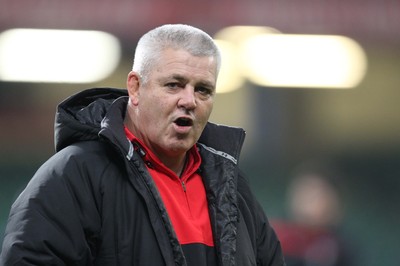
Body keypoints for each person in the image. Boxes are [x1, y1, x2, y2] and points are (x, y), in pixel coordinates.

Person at [0, 24, 285, 265]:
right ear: (135, 87)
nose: (189, 100)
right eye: (174, 84)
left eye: (203, 90)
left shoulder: (232, 187)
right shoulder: (73, 176)